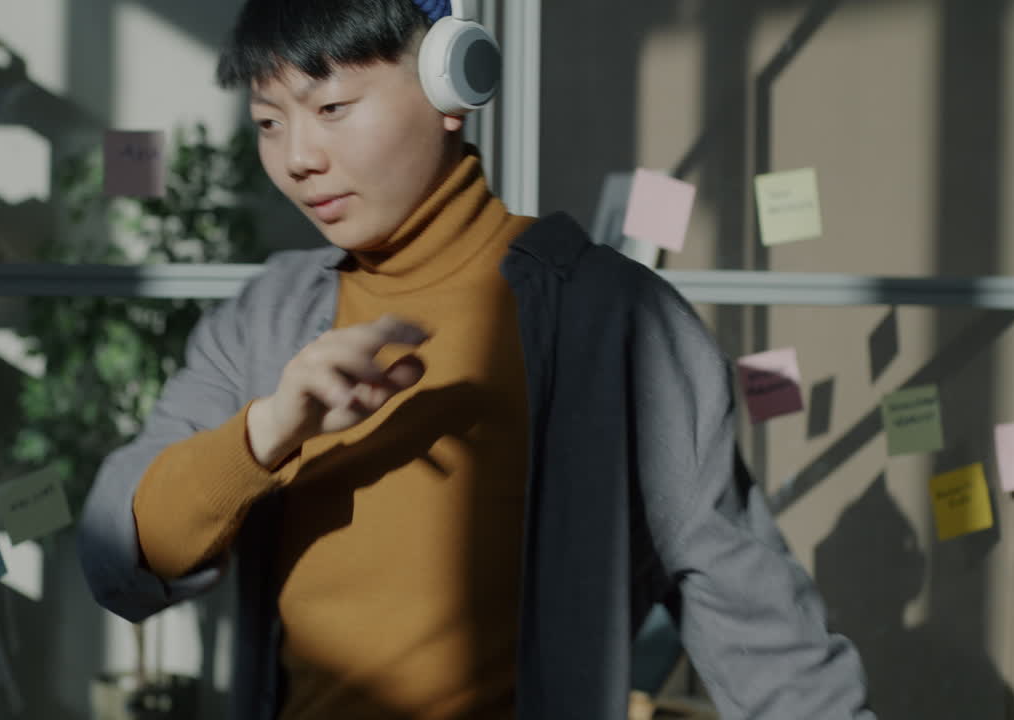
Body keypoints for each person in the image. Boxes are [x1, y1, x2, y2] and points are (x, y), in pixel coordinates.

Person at [77, 1, 876, 718]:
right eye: (268, 122)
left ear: (452, 86)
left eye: (332, 108)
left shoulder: (610, 319)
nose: (298, 158)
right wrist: (265, 433)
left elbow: (754, 621)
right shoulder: (264, 319)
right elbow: (120, 553)